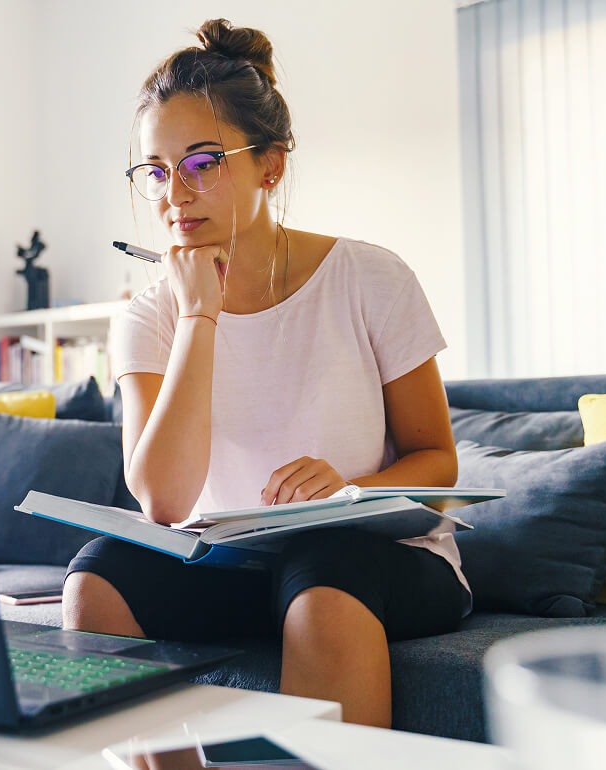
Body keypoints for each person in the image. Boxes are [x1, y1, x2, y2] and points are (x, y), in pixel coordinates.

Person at [62, 19, 468, 728]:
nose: (173, 193)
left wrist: (349, 489)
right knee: (97, 576)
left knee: (324, 569)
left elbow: (438, 469)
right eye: (156, 170)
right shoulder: (150, 316)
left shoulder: (371, 277)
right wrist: (198, 316)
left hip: (375, 559)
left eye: (202, 162)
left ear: (270, 166)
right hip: (234, 566)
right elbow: (161, 499)